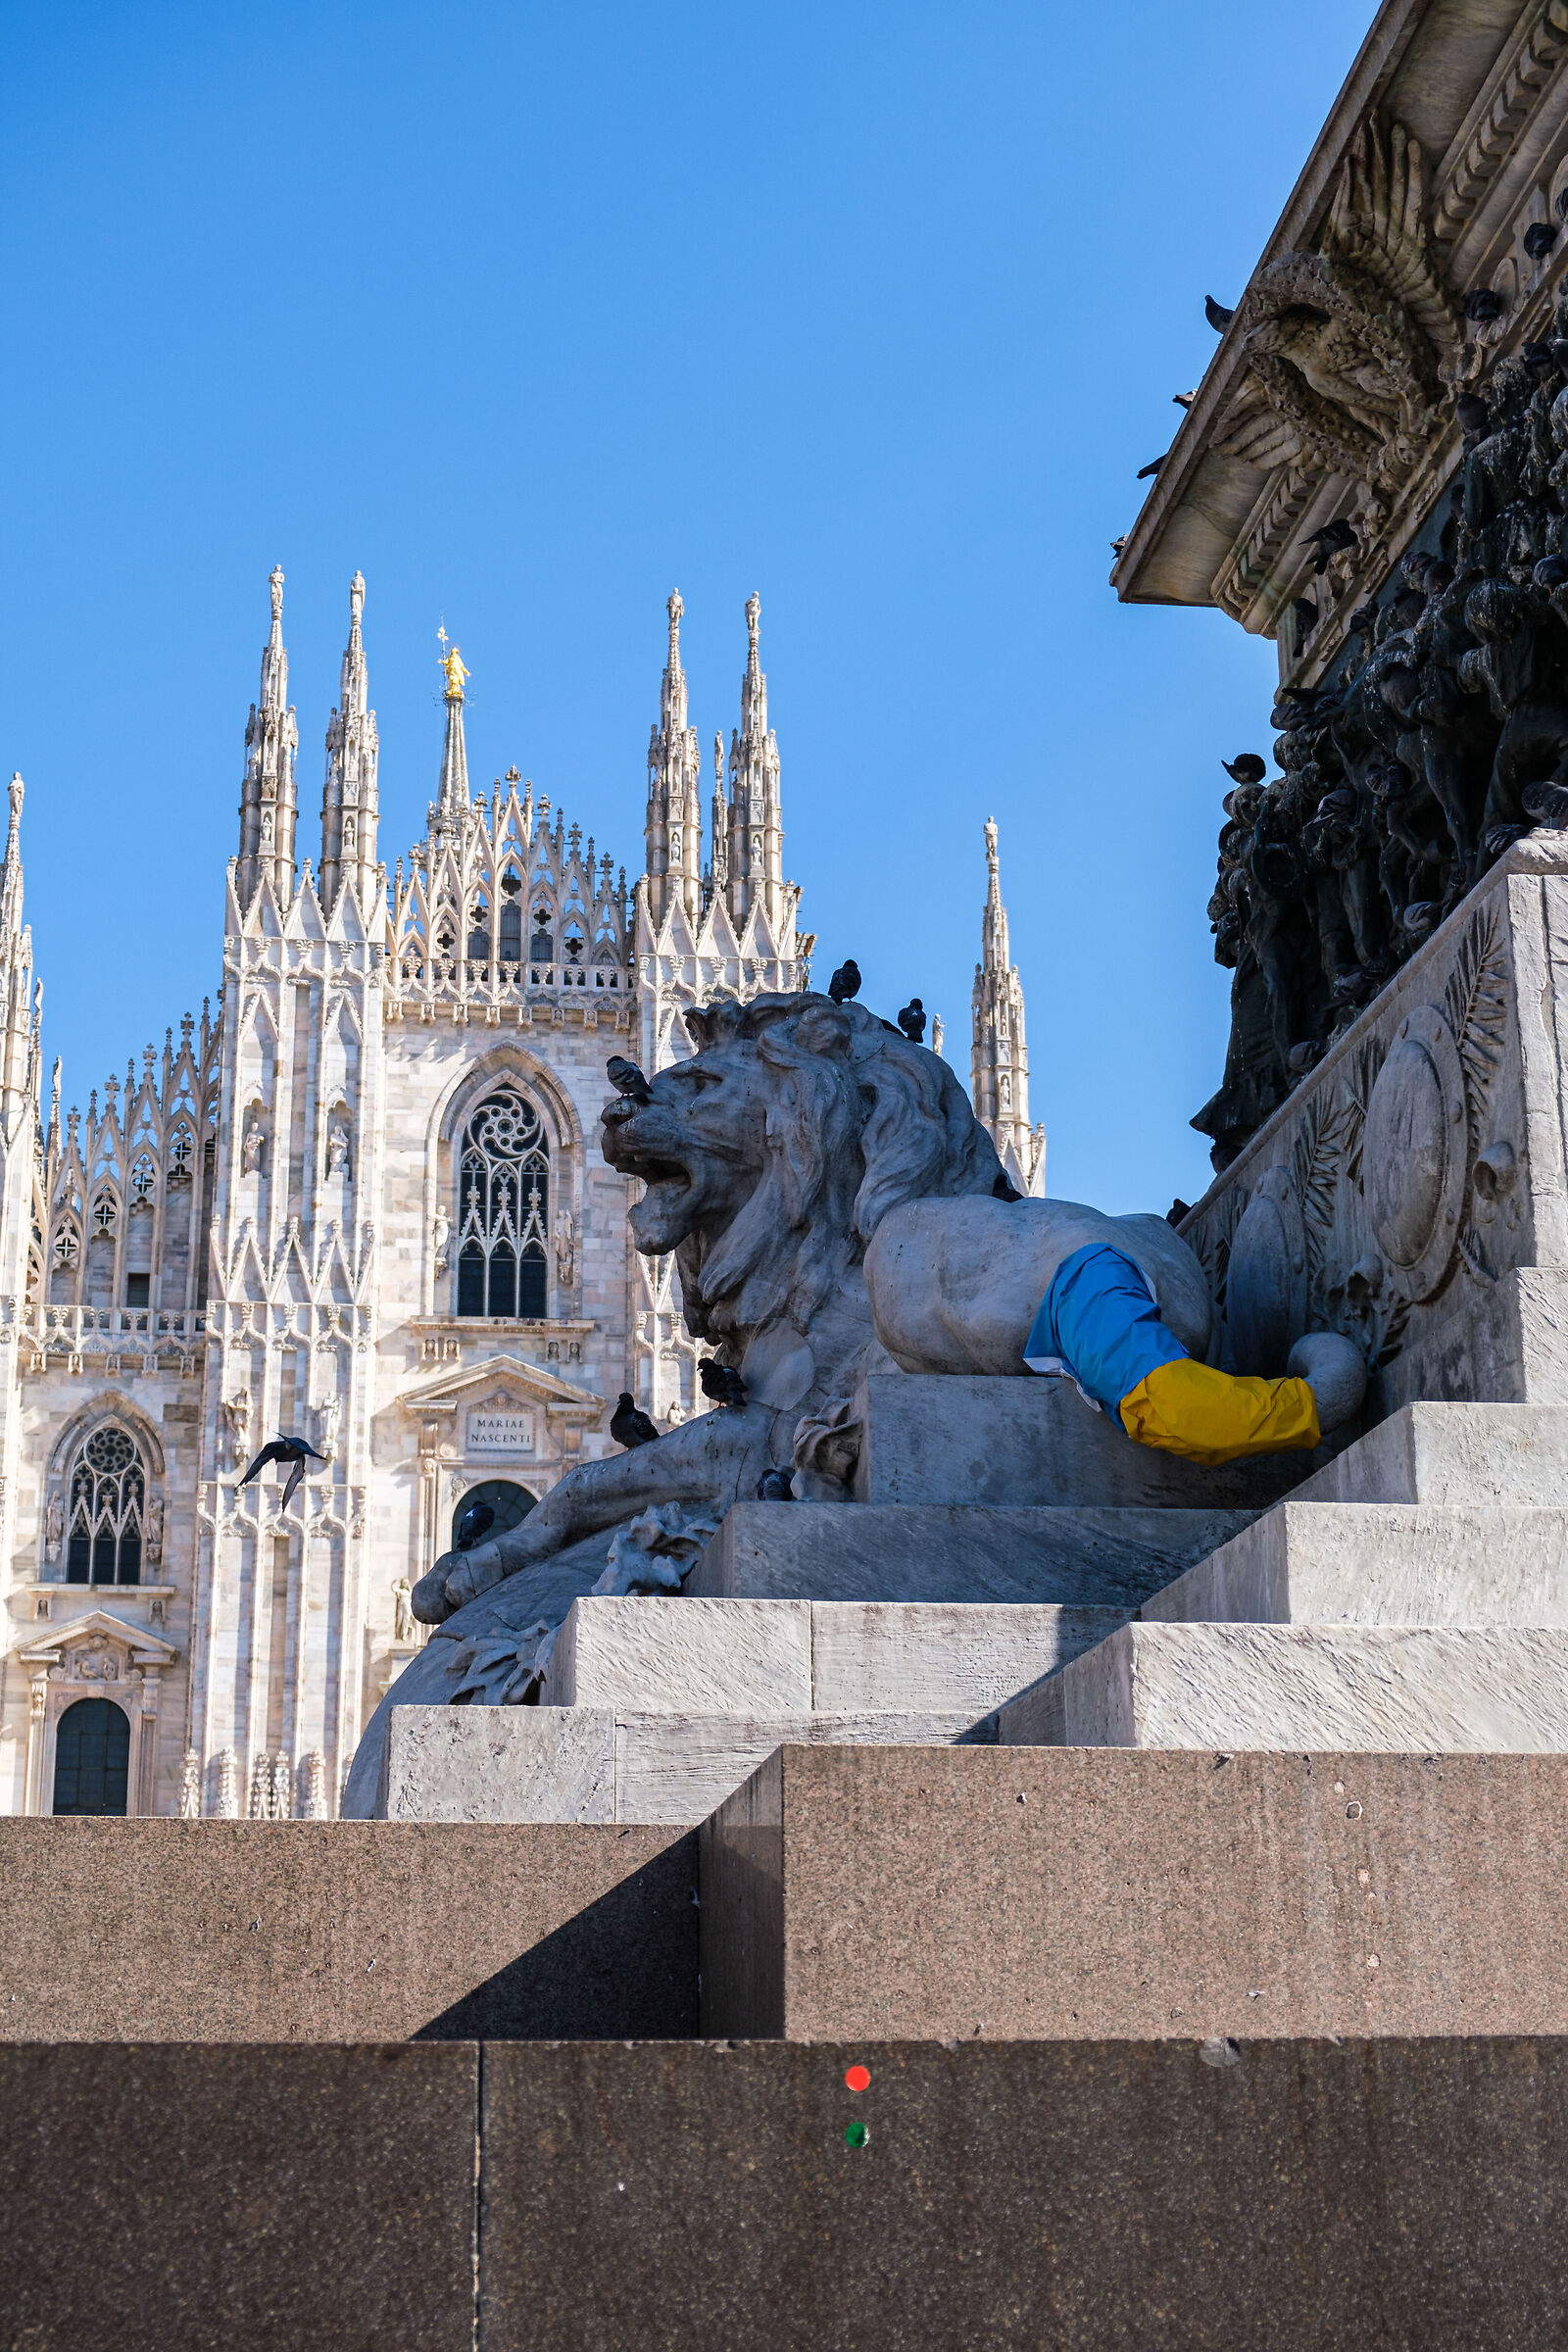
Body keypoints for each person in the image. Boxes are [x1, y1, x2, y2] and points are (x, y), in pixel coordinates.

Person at [1023, 1241, 1360, 1466]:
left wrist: (1306, 1406)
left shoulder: (1090, 1259)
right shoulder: (1087, 1264)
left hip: (1093, 1280)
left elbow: (1184, 1407)